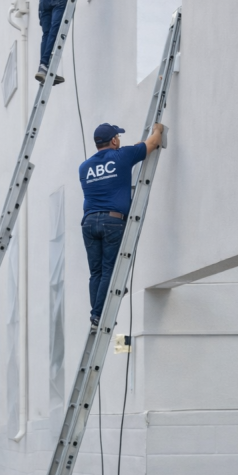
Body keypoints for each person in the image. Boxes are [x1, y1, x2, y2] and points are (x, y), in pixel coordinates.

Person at [79, 122, 164, 328]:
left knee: (96, 272)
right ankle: (99, 314)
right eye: (118, 137)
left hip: (89, 222)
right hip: (112, 221)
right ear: (114, 140)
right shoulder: (122, 156)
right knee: (109, 268)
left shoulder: (85, 166)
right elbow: (153, 143)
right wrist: (158, 129)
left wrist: (133, 150)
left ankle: (95, 314)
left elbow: (120, 160)